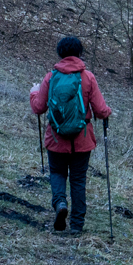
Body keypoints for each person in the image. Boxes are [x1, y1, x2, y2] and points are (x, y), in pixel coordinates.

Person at [29, 34, 112, 234]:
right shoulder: (88, 77)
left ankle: (60, 204)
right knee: (78, 179)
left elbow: (39, 108)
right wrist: (108, 112)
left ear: (60, 54)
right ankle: (76, 226)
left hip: (56, 138)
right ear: (80, 53)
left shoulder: (51, 77)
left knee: (57, 172)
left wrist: (34, 92)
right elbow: (101, 111)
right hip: (82, 140)